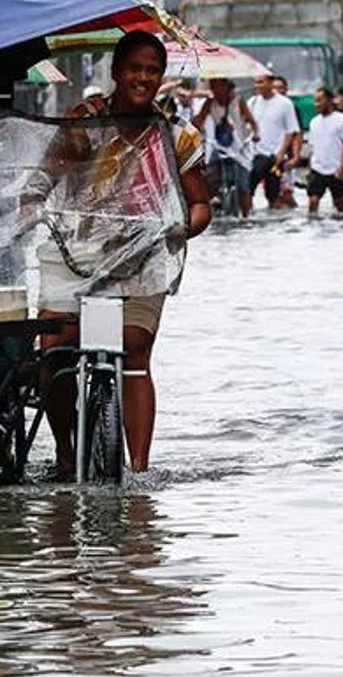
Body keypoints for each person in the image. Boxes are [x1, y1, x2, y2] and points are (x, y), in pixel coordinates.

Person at [31, 30, 212, 477]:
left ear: (162, 78)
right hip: (77, 252)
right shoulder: (84, 122)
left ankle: (140, 470)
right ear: (116, 73)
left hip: (145, 256)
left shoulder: (177, 135)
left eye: (153, 71)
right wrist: (29, 206)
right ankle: (65, 452)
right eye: (135, 69)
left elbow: (201, 205)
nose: (143, 78)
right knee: (54, 350)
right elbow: (42, 180)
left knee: (135, 350)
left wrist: (178, 231)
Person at [192, 78, 259, 217]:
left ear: (226, 86)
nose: (214, 90)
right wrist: (194, 123)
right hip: (217, 147)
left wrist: (255, 134)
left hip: (239, 148)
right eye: (212, 87)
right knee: (209, 179)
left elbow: (252, 122)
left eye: (217, 86)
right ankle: (212, 207)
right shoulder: (210, 102)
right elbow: (199, 121)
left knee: (243, 186)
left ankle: (246, 217)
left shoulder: (238, 101)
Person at [247, 74, 301, 210]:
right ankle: (248, 219)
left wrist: (282, 153)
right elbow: (246, 125)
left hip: (275, 156)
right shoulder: (252, 102)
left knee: (274, 194)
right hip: (255, 155)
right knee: (248, 189)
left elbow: (291, 131)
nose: (257, 86)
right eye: (255, 82)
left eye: (261, 82)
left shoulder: (285, 104)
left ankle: (276, 225)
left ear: (270, 83)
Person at [303, 87, 343, 214]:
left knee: (339, 203)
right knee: (313, 201)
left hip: (336, 169)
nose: (316, 104)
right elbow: (312, 147)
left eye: (319, 100)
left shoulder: (342, 119)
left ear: (329, 101)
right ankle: (313, 228)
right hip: (317, 168)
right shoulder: (314, 122)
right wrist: (309, 168)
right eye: (315, 101)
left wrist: (342, 167)